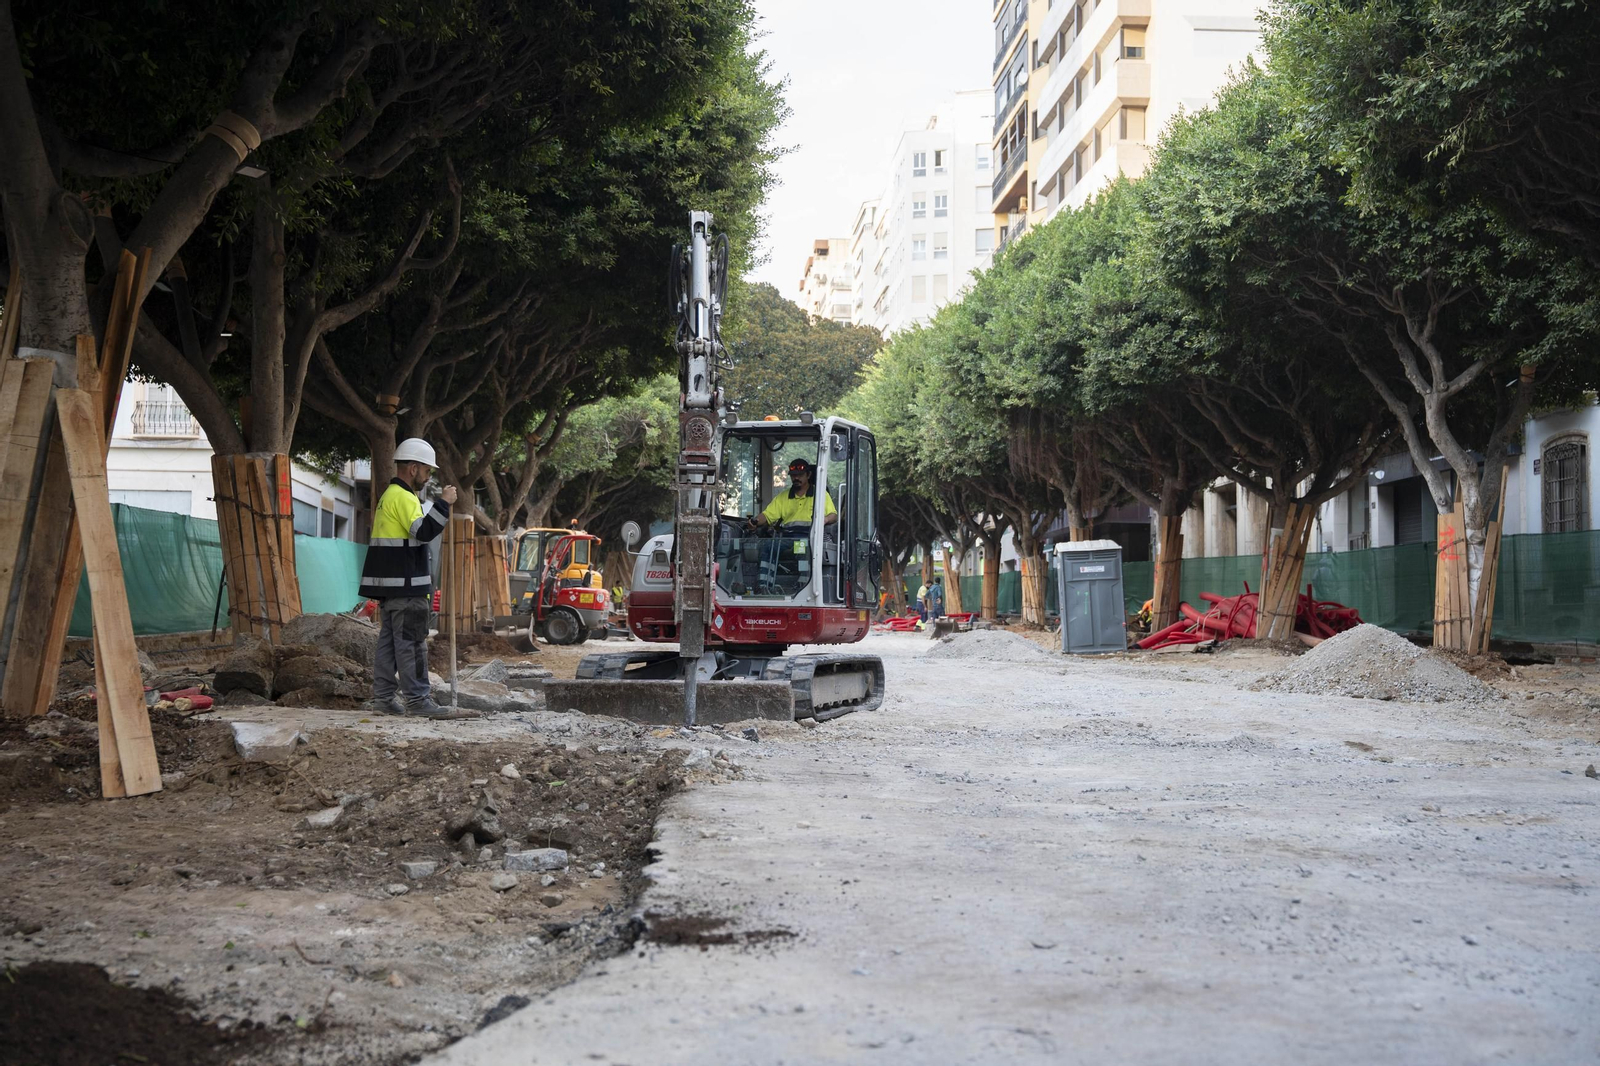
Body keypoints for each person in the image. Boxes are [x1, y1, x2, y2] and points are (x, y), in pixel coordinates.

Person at [359, 438, 478, 719]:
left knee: (389, 645)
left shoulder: (391, 496)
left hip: (393, 588)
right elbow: (423, 532)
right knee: (412, 644)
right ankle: (418, 701)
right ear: (413, 468)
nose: (429, 476)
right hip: (407, 587)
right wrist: (444, 504)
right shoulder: (403, 497)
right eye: (427, 470)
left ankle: (385, 699)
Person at [746, 458, 837, 530]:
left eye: (800, 475)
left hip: (812, 539)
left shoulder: (821, 494)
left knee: (801, 552)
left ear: (808, 475)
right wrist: (755, 521)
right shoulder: (782, 497)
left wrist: (825, 520)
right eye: (793, 475)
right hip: (788, 538)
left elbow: (833, 516)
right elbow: (767, 515)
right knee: (765, 547)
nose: (796, 478)